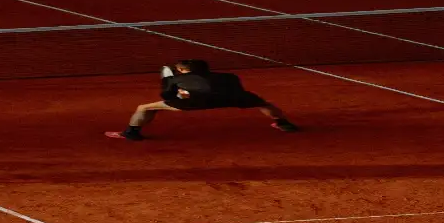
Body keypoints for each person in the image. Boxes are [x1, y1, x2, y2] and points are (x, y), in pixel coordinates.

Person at [106, 59, 299, 141]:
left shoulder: (175, 79)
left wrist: (171, 86)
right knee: (263, 103)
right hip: (232, 98)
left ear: (183, 70)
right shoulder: (229, 76)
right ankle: (283, 123)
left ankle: (131, 133)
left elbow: (167, 97)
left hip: (195, 102)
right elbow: (236, 89)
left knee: (144, 107)